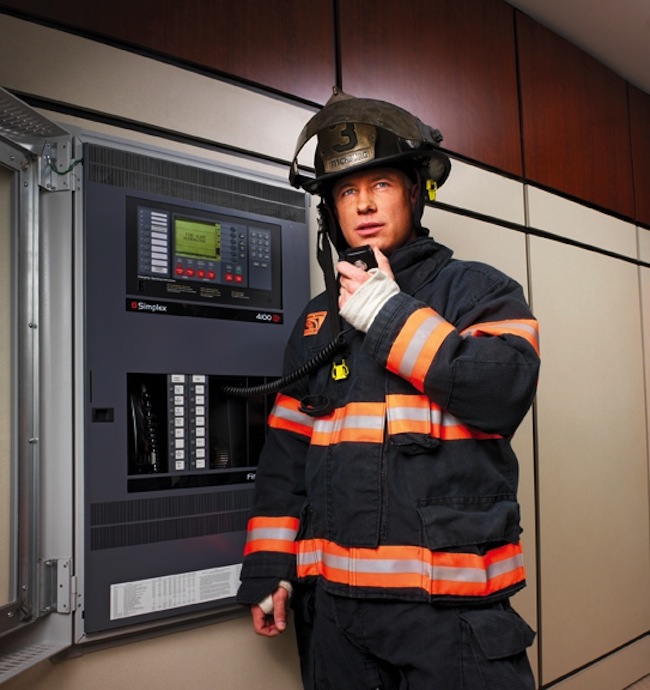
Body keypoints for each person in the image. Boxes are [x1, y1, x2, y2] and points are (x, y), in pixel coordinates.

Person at [236, 87, 540, 690]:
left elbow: (503, 388)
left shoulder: (477, 290)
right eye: (347, 190)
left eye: (382, 185)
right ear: (330, 208)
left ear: (415, 193)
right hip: (336, 622)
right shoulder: (317, 323)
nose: (365, 204)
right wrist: (270, 567)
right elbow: (286, 459)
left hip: (450, 620)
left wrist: (389, 315)